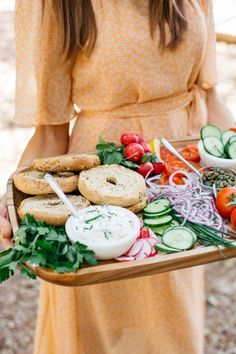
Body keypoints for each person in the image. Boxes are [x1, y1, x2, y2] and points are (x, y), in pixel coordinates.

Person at [0, 0, 235, 353]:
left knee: (173, 329)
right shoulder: (54, 5)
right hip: (98, 194)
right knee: (100, 331)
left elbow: (208, 96)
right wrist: (10, 203)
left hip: (178, 186)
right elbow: (51, 133)